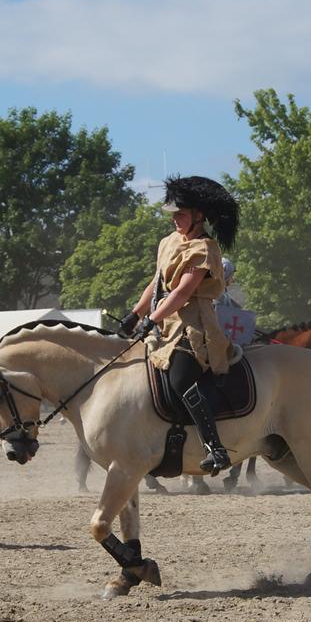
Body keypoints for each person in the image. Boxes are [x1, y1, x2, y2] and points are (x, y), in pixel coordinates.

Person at [118, 175, 239, 475]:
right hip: (165, 322)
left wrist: (151, 320)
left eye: (180, 214)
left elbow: (183, 292)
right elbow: (157, 283)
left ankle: (216, 447)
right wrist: (135, 314)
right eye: (173, 214)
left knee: (180, 378)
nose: (174, 219)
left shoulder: (205, 248)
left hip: (193, 326)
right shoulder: (168, 242)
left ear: (199, 216)